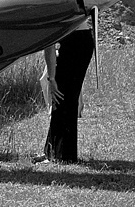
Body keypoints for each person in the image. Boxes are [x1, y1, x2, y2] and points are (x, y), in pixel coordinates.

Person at [37, 14, 95, 164]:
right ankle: (54, 151)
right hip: (82, 38)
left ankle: (61, 154)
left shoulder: (50, 13)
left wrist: (52, 79)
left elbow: (49, 49)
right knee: (66, 99)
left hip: (75, 42)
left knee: (62, 98)